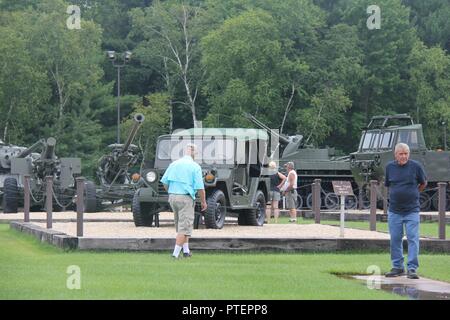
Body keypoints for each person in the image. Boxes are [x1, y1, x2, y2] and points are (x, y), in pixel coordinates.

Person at [384, 143, 427, 279]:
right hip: (394, 210)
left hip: (412, 210)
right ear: (395, 154)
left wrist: (414, 193)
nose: (404, 156)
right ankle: (397, 267)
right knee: (395, 239)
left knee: (413, 238)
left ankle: (412, 268)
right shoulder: (389, 167)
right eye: (401, 154)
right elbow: (388, 185)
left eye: (406, 153)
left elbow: (423, 183)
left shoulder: (416, 166)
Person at [160, 143, 207, 259]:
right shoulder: (195, 166)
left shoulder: (174, 164)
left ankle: (186, 251)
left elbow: (164, 182)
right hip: (185, 198)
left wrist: (171, 192)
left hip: (172, 197)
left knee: (181, 224)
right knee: (185, 226)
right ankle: (175, 255)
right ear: (194, 153)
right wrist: (203, 201)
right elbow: (200, 188)